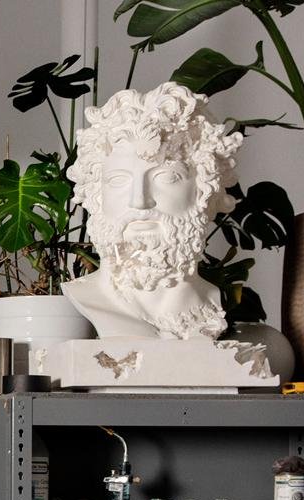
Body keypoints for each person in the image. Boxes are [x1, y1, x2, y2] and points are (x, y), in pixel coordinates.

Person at [62, 82, 242, 341]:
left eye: (166, 177)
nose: (139, 201)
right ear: (96, 195)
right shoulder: (86, 298)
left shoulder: (212, 303)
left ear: (205, 190)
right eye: (118, 180)